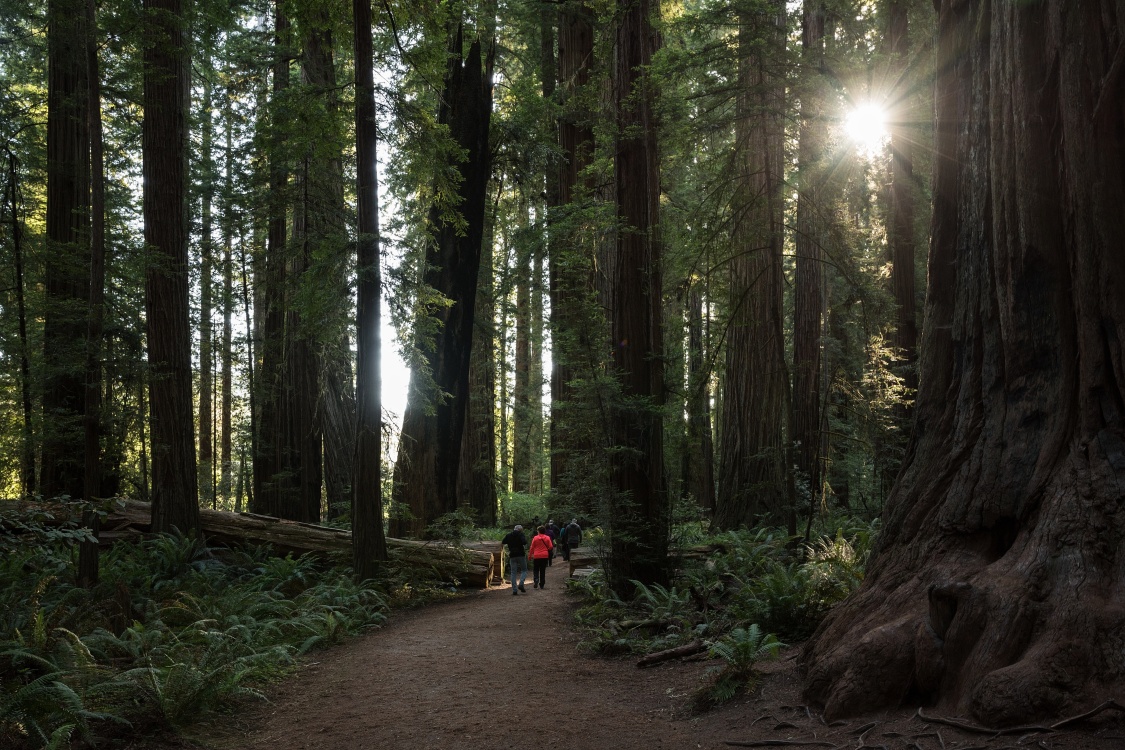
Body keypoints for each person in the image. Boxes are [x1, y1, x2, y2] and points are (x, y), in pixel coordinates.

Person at [501, 524, 528, 595]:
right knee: (524, 570)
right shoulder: (521, 534)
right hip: (520, 555)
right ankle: (521, 583)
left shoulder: (509, 535)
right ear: (520, 530)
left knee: (513, 573)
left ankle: (514, 590)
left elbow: (503, 542)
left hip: (512, 555)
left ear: (514, 529)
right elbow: (524, 542)